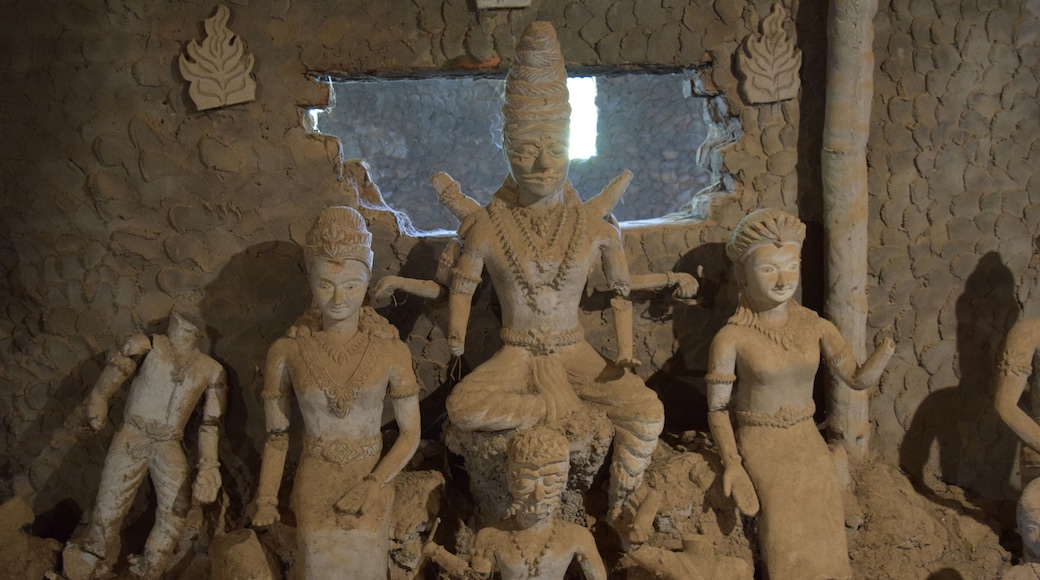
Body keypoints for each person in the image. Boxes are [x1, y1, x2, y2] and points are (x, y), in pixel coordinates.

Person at [441, 21, 666, 520]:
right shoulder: (485, 230)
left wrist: (626, 355)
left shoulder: (595, 229)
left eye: (556, 149)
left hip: (576, 351)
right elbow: (461, 290)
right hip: (517, 355)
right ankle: (549, 409)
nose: (543, 164)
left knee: (648, 412)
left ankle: (621, 509)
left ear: (572, 146)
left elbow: (619, 296)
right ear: (504, 148)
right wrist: (456, 344)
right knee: (463, 407)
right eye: (525, 150)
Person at [706, 208, 894, 579]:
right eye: (768, 269)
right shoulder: (731, 338)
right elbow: (717, 410)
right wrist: (733, 463)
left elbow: (855, 379)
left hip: (806, 436)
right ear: (743, 275)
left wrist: (882, 356)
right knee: (784, 506)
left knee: (824, 499)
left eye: (791, 266)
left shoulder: (816, 326)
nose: (782, 280)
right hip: (761, 440)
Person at [249, 206, 421, 578]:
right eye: (325, 284)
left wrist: (375, 484)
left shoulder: (391, 351)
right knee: (317, 550)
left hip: (372, 472)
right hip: (317, 474)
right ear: (310, 281)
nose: (338, 298)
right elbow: (277, 437)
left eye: (351, 286)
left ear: (368, 279)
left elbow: (410, 433)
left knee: (367, 550)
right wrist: (266, 498)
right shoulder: (287, 351)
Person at [63, 311, 226, 579]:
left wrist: (209, 465)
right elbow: (114, 375)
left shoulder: (211, 370)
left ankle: (150, 566)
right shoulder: (147, 344)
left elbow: (210, 424)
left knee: (178, 506)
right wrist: (99, 397)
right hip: (133, 433)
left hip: (168, 441)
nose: (186, 327)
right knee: (111, 500)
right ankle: (92, 554)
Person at [423, 427, 606, 579]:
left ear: (565, 477)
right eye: (527, 482)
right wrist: (438, 554)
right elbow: (475, 577)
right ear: (509, 476)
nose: (538, 494)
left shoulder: (579, 538)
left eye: (550, 481)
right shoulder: (489, 537)